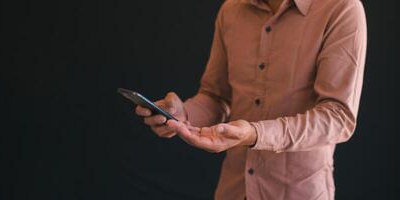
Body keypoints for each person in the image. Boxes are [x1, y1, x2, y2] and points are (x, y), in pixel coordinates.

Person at [134, 0, 367, 199]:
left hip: (299, 192)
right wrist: (182, 115)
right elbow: (216, 96)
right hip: (233, 189)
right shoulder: (231, 10)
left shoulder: (341, 8)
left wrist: (255, 134)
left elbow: (338, 117)